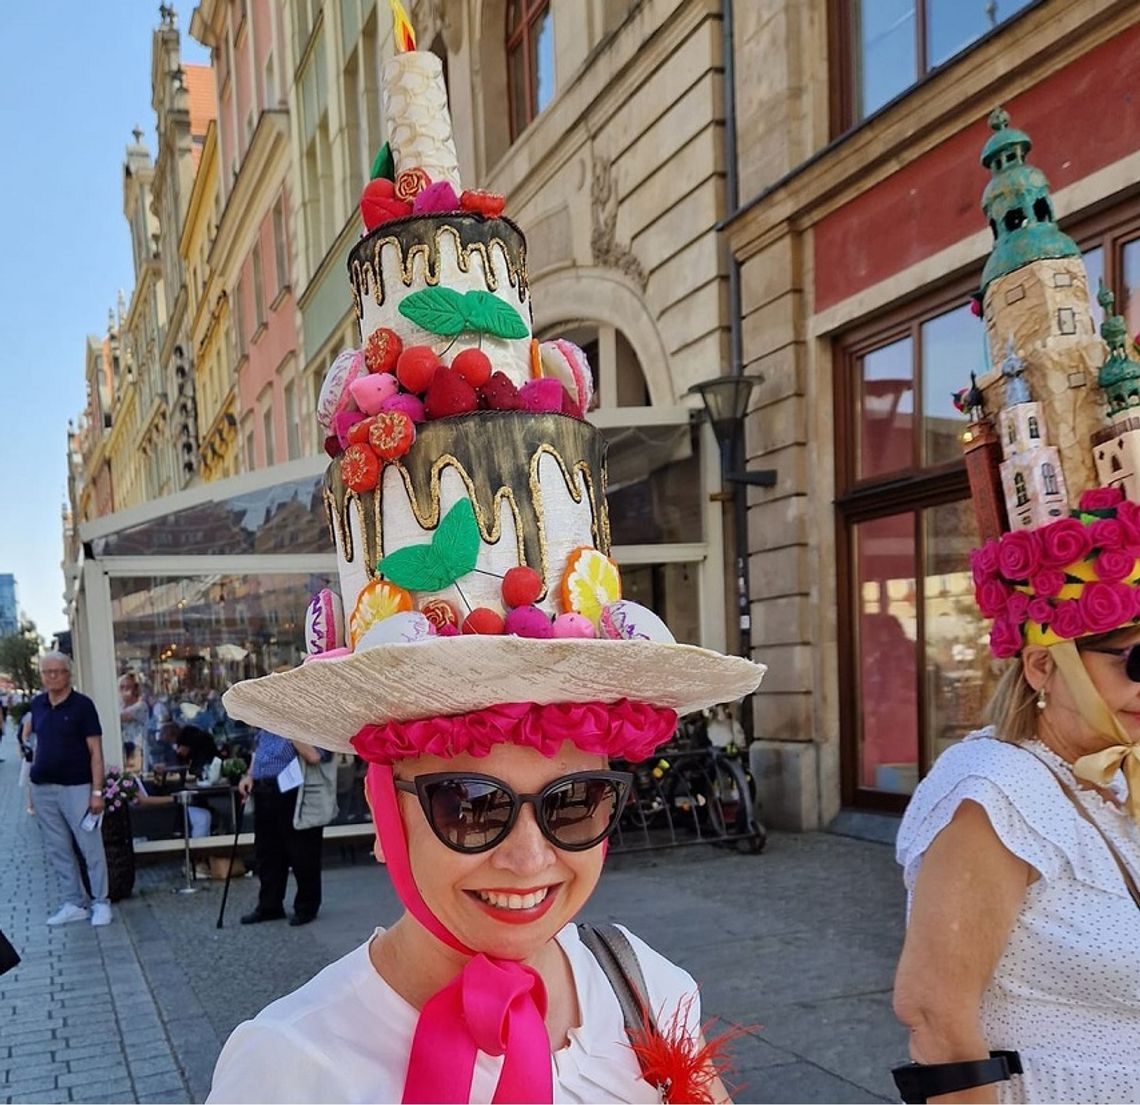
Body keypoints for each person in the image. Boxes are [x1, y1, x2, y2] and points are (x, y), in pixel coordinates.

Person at [206, 25, 765, 1102]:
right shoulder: (290, 1068)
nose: (529, 859)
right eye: (468, 802)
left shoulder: (654, 991)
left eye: (574, 803)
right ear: (385, 798)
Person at [892, 111, 1140, 1103]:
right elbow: (934, 1013)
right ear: (1043, 665)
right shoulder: (995, 793)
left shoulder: (1110, 783)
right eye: (1138, 659)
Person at [28, 651, 112, 927]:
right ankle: (74, 902)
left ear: (68, 675)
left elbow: (95, 751)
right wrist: (31, 789)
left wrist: (97, 792)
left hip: (77, 786)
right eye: (46, 672)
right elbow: (36, 745)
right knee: (57, 849)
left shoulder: (82, 706)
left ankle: (101, 902)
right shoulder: (38, 704)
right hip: (43, 787)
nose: (52, 677)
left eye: (57, 672)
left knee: (90, 847)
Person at [236, 730, 334, 927]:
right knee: (267, 852)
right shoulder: (264, 723)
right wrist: (249, 776)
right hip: (264, 789)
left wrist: (290, 731)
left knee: (303, 852)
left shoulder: (303, 722)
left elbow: (315, 756)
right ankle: (269, 905)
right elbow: (259, 751)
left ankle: (306, 906)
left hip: (296, 791)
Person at [118, 672, 151, 769]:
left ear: (135, 689)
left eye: (128, 687)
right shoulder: (119, 706)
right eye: (122, 687)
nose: (124, 690)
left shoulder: (141, 706)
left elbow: (122, 718)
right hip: (122, 747)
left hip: (137, 748)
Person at [17, 710, 35, 814]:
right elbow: (24, 736)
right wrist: (28, 749)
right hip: (32, 754)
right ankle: (31, 805)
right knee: (31, 780)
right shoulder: (31, 716)